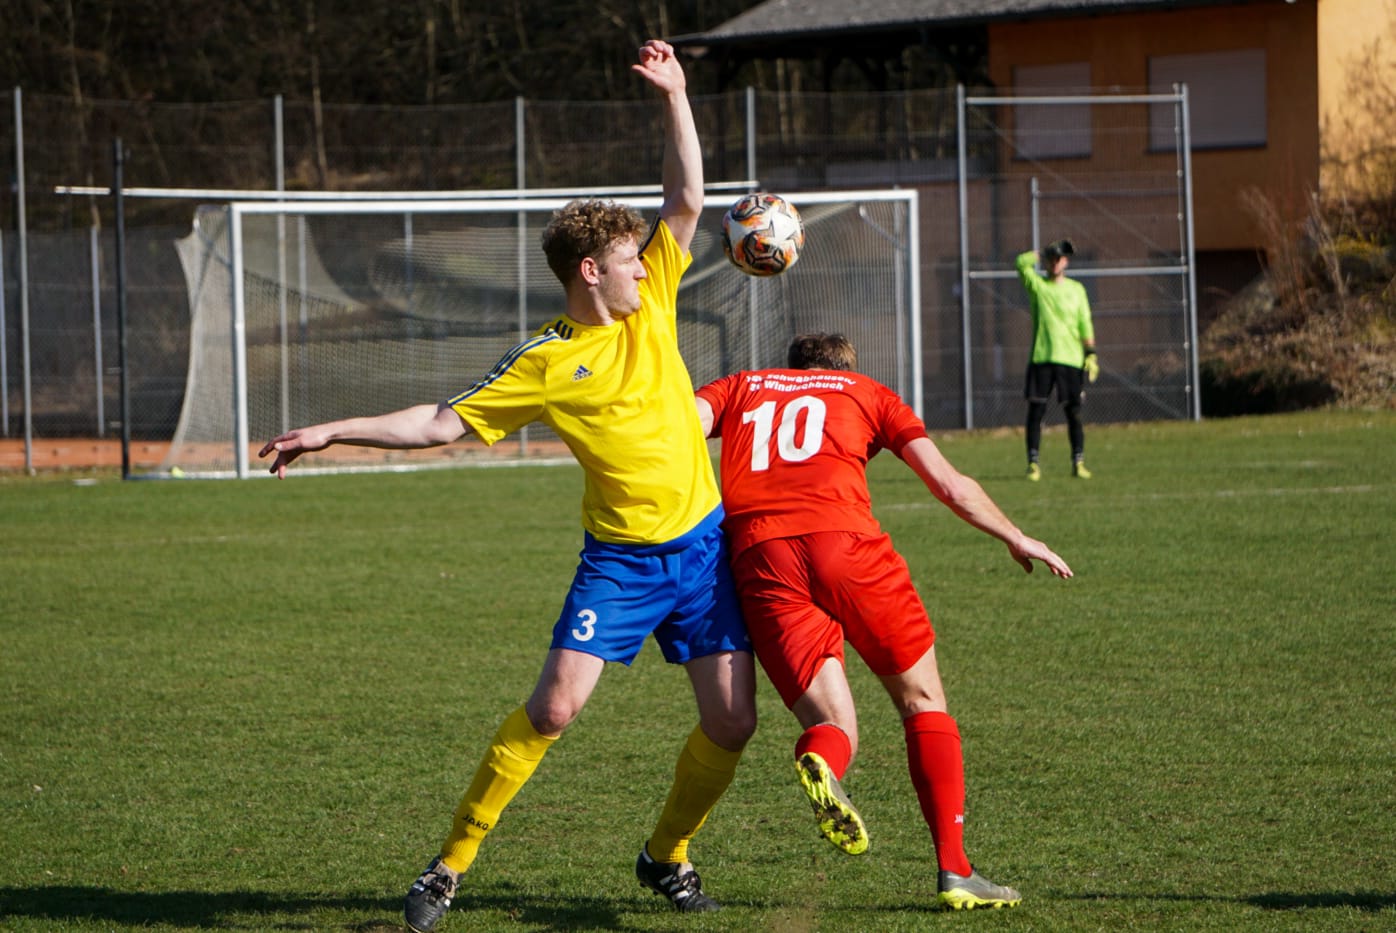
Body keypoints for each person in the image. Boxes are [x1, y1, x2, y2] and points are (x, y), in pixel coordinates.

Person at [259, 40, 756, 933]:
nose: (647, 263)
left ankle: (666, 857)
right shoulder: (546, 358)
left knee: (732, 725)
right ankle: (450, 864)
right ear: (589, 272)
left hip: (706, 548)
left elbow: (687, 200)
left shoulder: (660, 297)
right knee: (553, 707)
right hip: (621, 563)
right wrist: (336, 428)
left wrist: (676, 96)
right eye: (628, 258)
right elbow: (443, 422)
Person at [694, 333, 1073, 911]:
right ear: (845, 369)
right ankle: (955, 870)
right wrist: (1015, 535)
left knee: (832, 720)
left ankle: (821, 755)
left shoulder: (742, 386)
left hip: (760, 555)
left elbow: (673, 429)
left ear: (793, 368)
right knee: (923, 699)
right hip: (848, 546)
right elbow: (948, 484)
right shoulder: (867, 391)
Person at [1016, 239, 1097, 481]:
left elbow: (1085, 322)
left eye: (1059, 258)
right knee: (1036, 411)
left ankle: (1078, 461)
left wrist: (1090, 354)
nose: (1055, 262)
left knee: (1074, 413)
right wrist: (1040, 254)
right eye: (1052, 258)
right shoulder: (1038, 287)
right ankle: (1033, 463)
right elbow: (1020, 264)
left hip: (1070, 360)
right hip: (1042, 358)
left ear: (1066, 262)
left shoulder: (1076, 290)